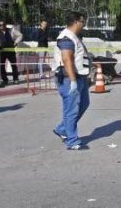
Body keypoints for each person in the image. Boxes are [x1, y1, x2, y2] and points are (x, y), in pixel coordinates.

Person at [53, 11, 91, 150]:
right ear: (76, 22)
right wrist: (73, 80)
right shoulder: (66, 37)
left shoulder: (75, 36)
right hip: (69, 78)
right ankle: (72, 141)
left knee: (84, 104)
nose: (84, 23)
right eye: (83, 21)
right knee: (72, 110)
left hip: (79, 76)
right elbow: (67, 59)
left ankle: (62, 129)